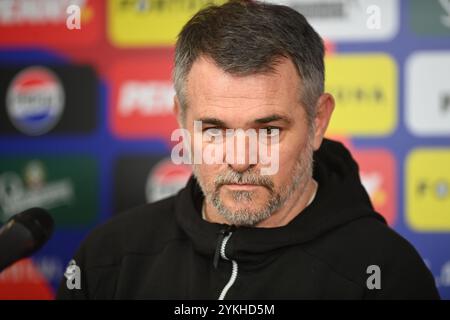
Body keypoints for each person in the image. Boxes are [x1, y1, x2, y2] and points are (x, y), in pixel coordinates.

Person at [57, 0, 440, 299]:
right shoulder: (108, 259)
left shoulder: (388, 275)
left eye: (269, 130)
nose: (240, 160)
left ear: (318, 121)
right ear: (181, 118)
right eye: (214, 129)